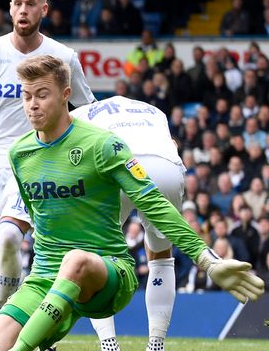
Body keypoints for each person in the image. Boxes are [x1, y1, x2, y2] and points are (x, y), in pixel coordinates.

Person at [0, 55, 264, 351]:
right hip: (46, 279)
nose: (32, 105)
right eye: (26, 96)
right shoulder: (19, 153)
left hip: (110, 274)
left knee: (76, 259)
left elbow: (154, 204)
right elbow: (40, 224)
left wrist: (206, 260)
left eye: (41, 95)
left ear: (66, 96)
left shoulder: (104, 144)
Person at [0, 0, 95, 336]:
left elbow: (89, 111)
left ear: (43, 9)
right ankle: (23, 305)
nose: (23, 10)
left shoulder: (63, 56)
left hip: (37, 159)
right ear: (9, 7)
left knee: (9, 239)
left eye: (31, 4)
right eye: (18, 3)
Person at [71, 95, 184, 351]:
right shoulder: (153, 110)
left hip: (118, 167)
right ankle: (156, 344)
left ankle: (108, 344)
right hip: (164, 166)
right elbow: (173, 143)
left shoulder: (82, 114)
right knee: (161, 256)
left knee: (94, 256)